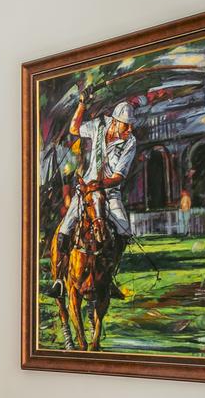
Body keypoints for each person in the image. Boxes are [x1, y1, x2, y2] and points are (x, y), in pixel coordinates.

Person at [50, 85, 173, 277]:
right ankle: (59, 278)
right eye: (126, 124)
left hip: (109, 193)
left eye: (131, 124)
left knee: (124, 230)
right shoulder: (99, 125)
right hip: (86, 191)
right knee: (65, 229)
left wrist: (100, 185)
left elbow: (118, 177)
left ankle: (109, 273)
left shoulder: (130, 142)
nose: (130, 128)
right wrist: (82, 104)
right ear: (115, 121)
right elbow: (74, 128)